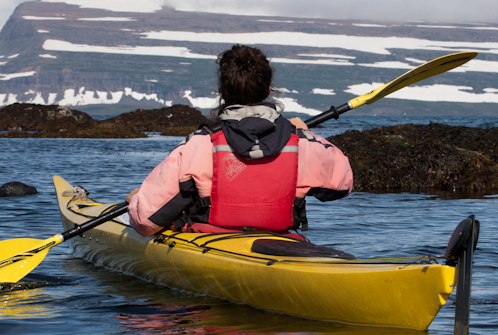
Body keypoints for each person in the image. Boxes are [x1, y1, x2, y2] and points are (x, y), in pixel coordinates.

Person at [126, 44, 353, 237]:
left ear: (223, 92)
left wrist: (136, 201)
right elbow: (344, 184)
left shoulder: (199, 145)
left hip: (211, 240)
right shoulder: (300, 144)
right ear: (268, 89)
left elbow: (145, 222)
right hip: (277, 241)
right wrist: (306, 134)